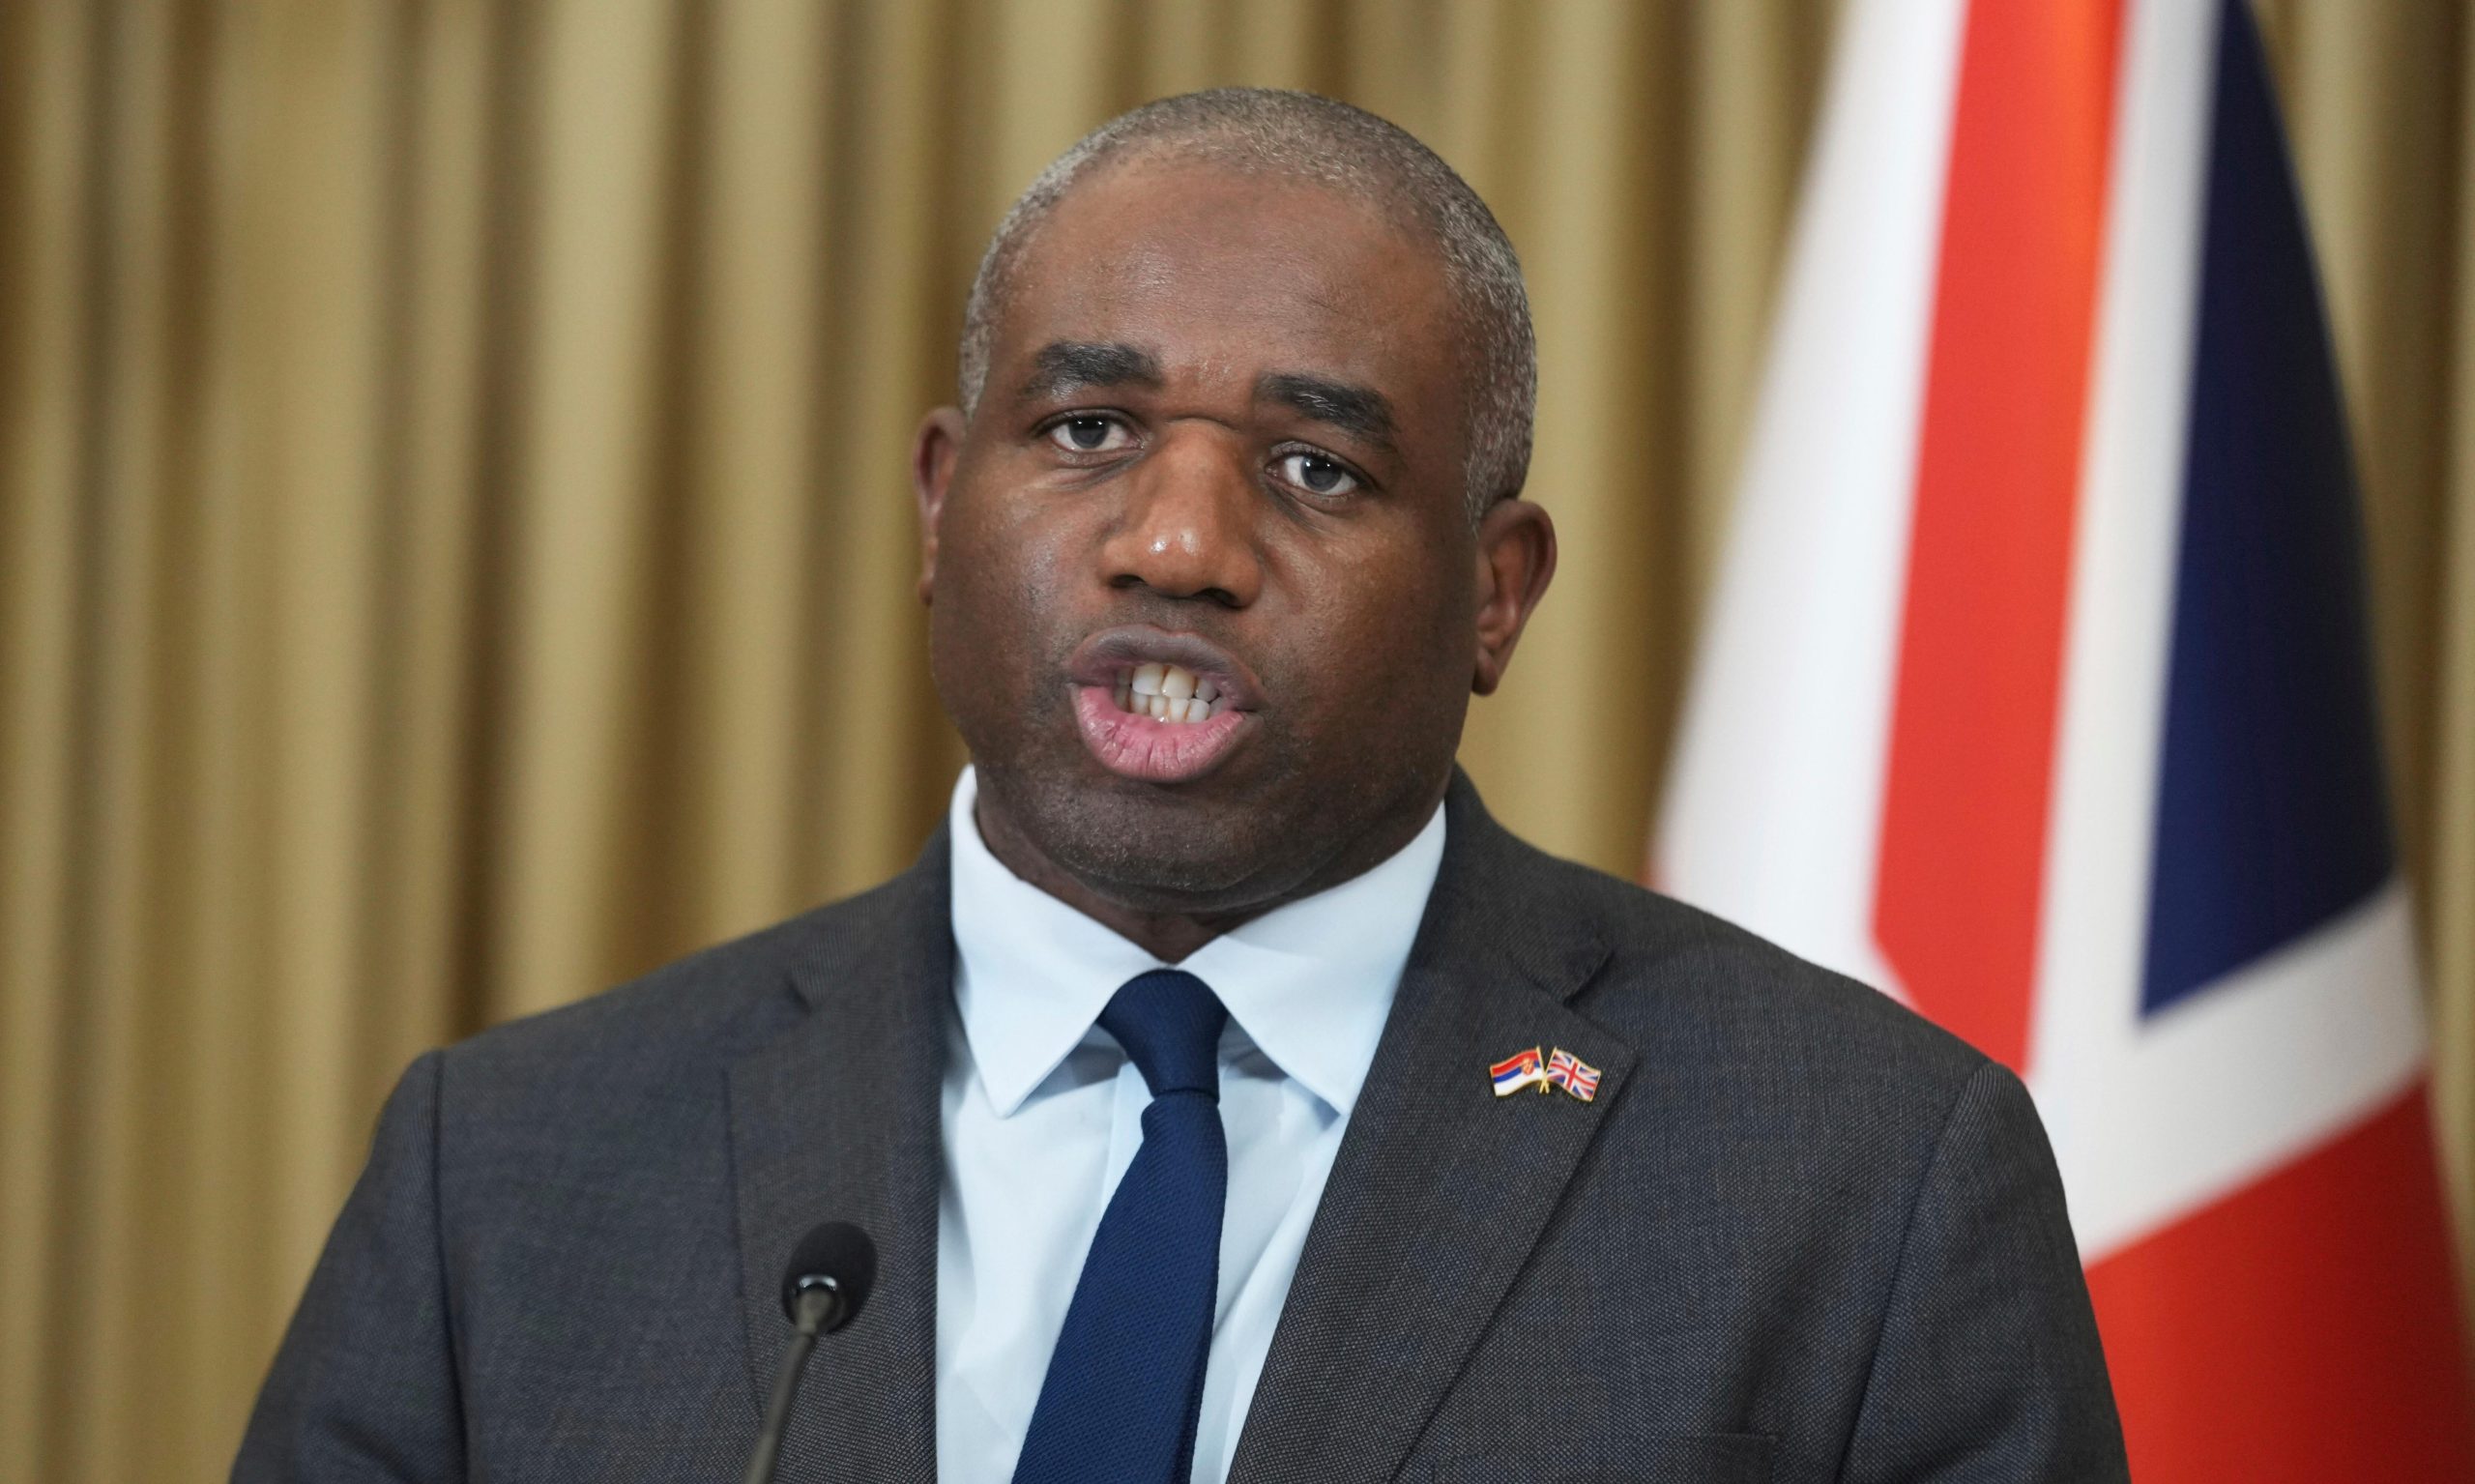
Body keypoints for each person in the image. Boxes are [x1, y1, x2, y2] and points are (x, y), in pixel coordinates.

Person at [235, 89, 2127, 1484]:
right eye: (1087, 429)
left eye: (1315, 470)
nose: (1176, 544)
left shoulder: (1859, 1176)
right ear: (937, 506)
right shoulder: (510, 1173)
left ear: (1494, 593)